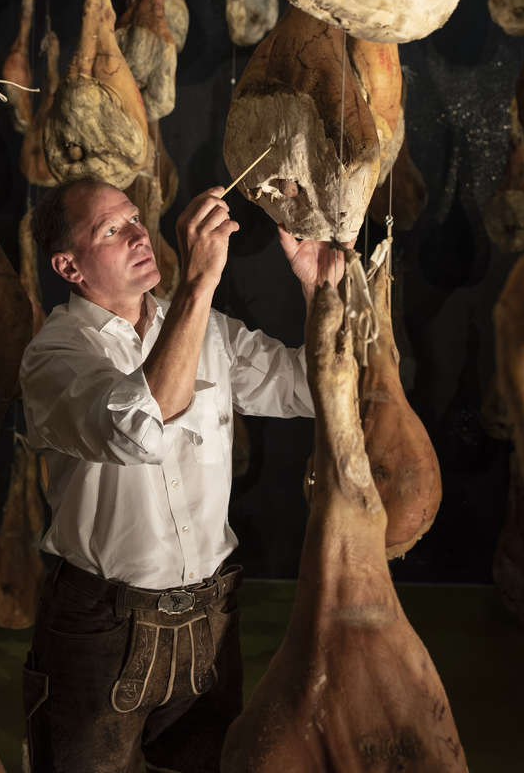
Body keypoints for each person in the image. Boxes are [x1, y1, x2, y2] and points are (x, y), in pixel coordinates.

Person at [18, 176, 344, 773]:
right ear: (69, 266)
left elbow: (307, 388)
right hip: (101, 630)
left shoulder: (207, 328)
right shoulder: (56, 354)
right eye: (112, 230)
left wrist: (318, 287)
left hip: (210, 619)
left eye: (136, 218)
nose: (140, 233)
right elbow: (137, 430)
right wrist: (197, 282)